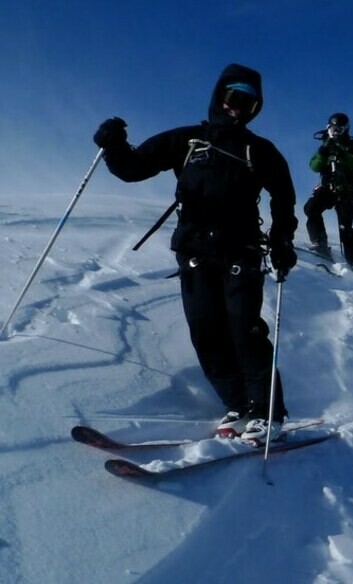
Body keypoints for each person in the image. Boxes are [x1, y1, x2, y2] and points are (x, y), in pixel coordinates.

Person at [92, 63, 298, 443]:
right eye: (233, 97)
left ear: (255, 109)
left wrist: (283, 239)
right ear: (220, 97)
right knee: (205, 329)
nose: (238, 107)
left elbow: (284, 197)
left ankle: (267, 411)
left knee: (244, 326)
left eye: (248, 103)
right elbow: (134, 167)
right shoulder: (188, 141)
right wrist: (113, 145)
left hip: (242, 249)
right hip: (195, 250)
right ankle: (237, 403)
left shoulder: (260, 150)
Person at [304, 113, 353, 272]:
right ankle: (320, 244)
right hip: (327, 188)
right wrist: (323, 153)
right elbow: (314, 166)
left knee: (345, 227)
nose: (335, 132)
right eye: (332, 128)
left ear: (345, 129)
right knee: (311, 208)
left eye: (339, 129)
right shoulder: (325, 146)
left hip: (347, 192)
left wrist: (342, 155)